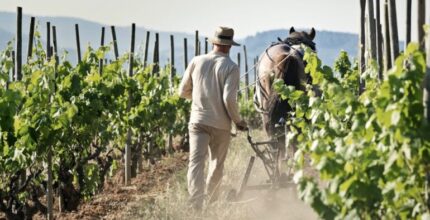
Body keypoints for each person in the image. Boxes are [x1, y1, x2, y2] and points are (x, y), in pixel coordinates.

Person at [178, 26, 248, 210]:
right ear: (229, 46)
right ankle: (212, 201)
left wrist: (199, 98)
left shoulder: (197, 60)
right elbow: (228, 99)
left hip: (198, 121)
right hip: (220, 124)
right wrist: (238, 121)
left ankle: (196, 204)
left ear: (214, 43)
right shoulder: (231, 67)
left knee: (196, 162)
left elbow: (182, 91)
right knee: (216, 164)